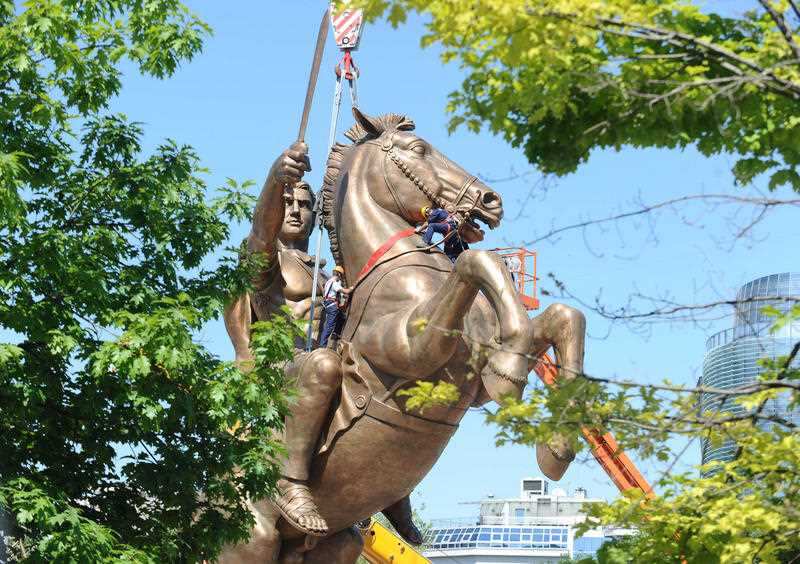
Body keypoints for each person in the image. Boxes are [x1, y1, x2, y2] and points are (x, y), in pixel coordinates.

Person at [223, 142, 422, 543]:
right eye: (288, 203)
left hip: (326, 363)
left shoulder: (329, 270)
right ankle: (289, 480)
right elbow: (261, 231)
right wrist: (275, 180)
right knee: (323, 365)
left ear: (317, 215)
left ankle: (393, 488)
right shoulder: (264, 263)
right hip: (281, 369)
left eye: (304, 204)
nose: (295, 210)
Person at [319, 265, 350, 347]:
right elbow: (346, 291)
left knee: (342, 317)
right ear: (339, 274)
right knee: (329, 327)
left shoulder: (329, 281)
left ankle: (336, 333)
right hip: (332, 306)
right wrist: (352, 288)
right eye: (341, 276)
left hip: (329, 304)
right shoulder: (335, 283)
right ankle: (322, 346)